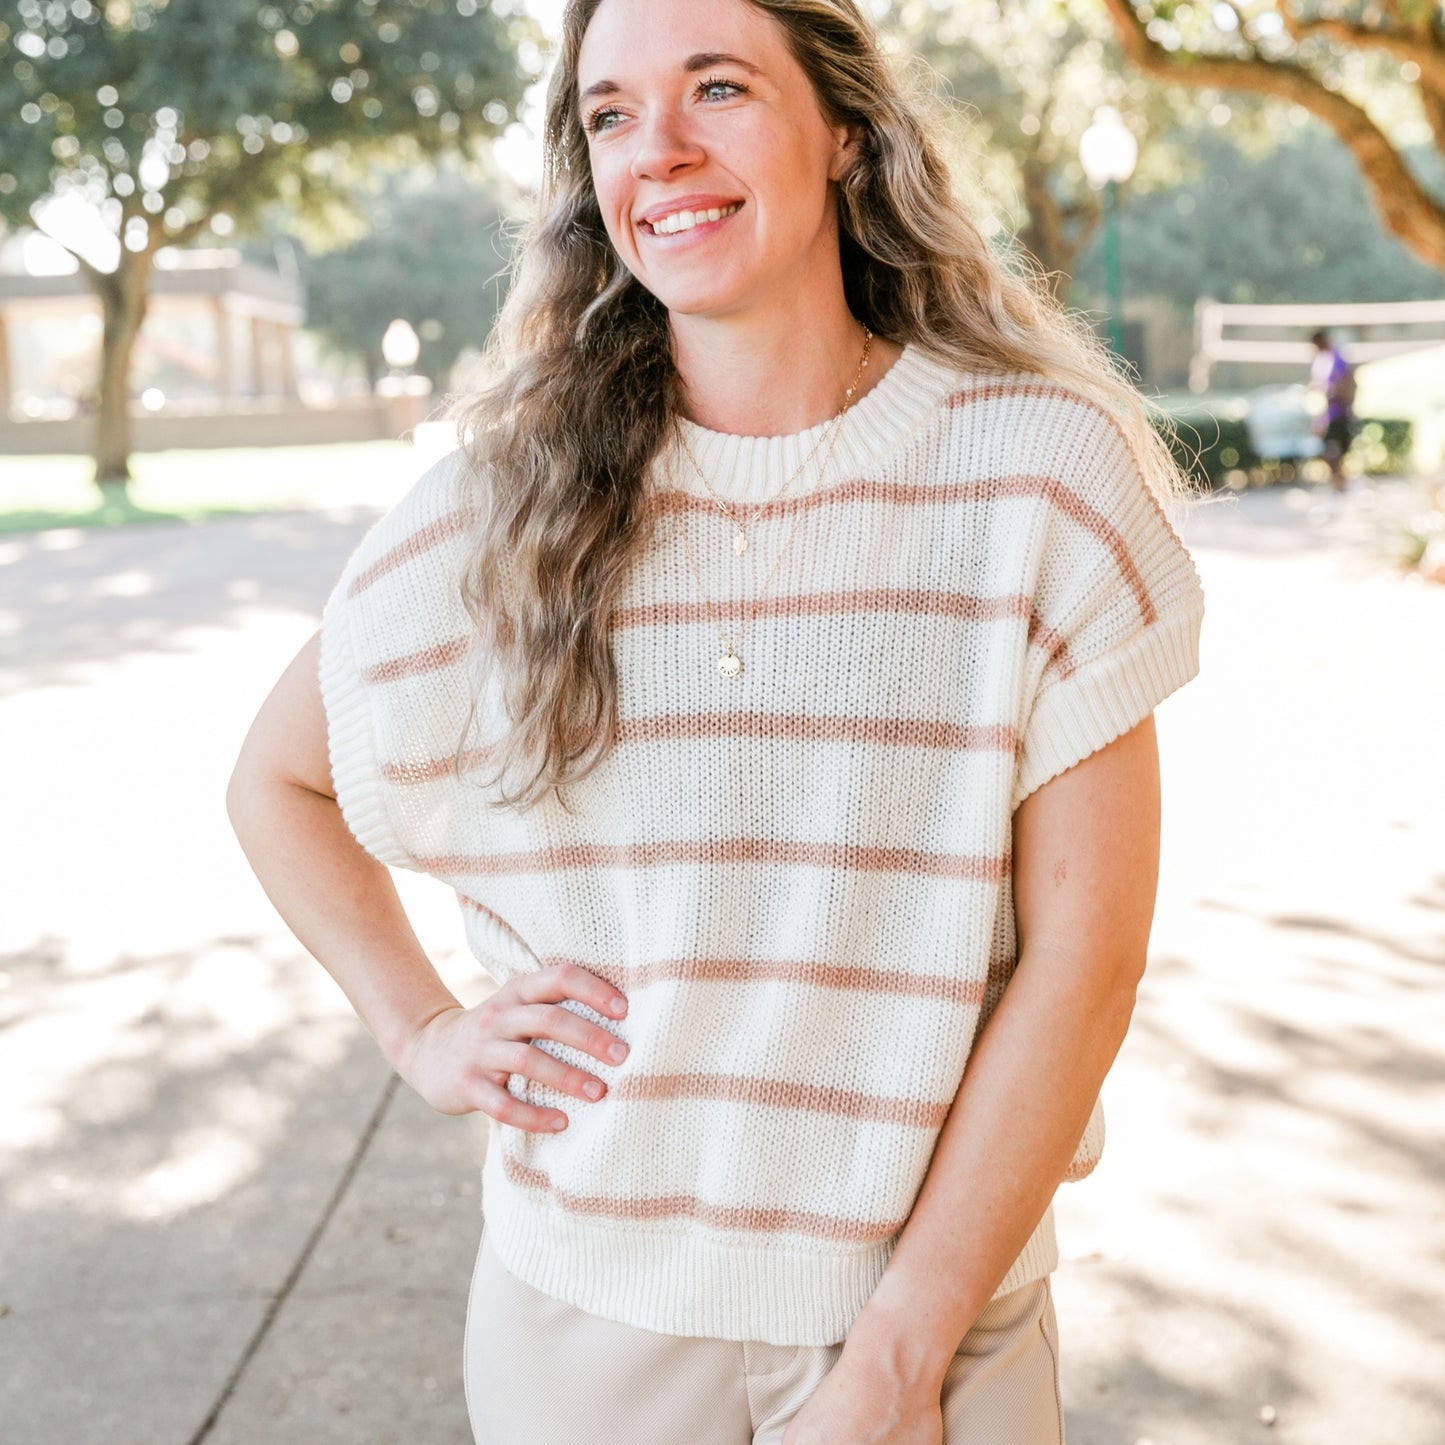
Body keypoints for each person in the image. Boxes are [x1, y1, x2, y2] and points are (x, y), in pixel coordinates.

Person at [227, 0, 1205, 1439]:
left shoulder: (1037, 481)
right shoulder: (504, 501)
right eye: (611, 113)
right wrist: (423, 1028)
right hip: (587, 1326)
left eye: (719, 88)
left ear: (846, 132)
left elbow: (1086, 960)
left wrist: (896, 1359)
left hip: (932, 1320)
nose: (660, 150)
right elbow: (277, 782)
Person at [1309, 329, 1356, 493]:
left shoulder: (1337, 359)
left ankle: (1342, 488)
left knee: (1335, 453)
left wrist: (1333, 394)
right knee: (1329, 453)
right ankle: (1339, 487)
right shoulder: (1321, 362)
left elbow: (1345, 384)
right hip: (1327, 416)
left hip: (1339, 415)